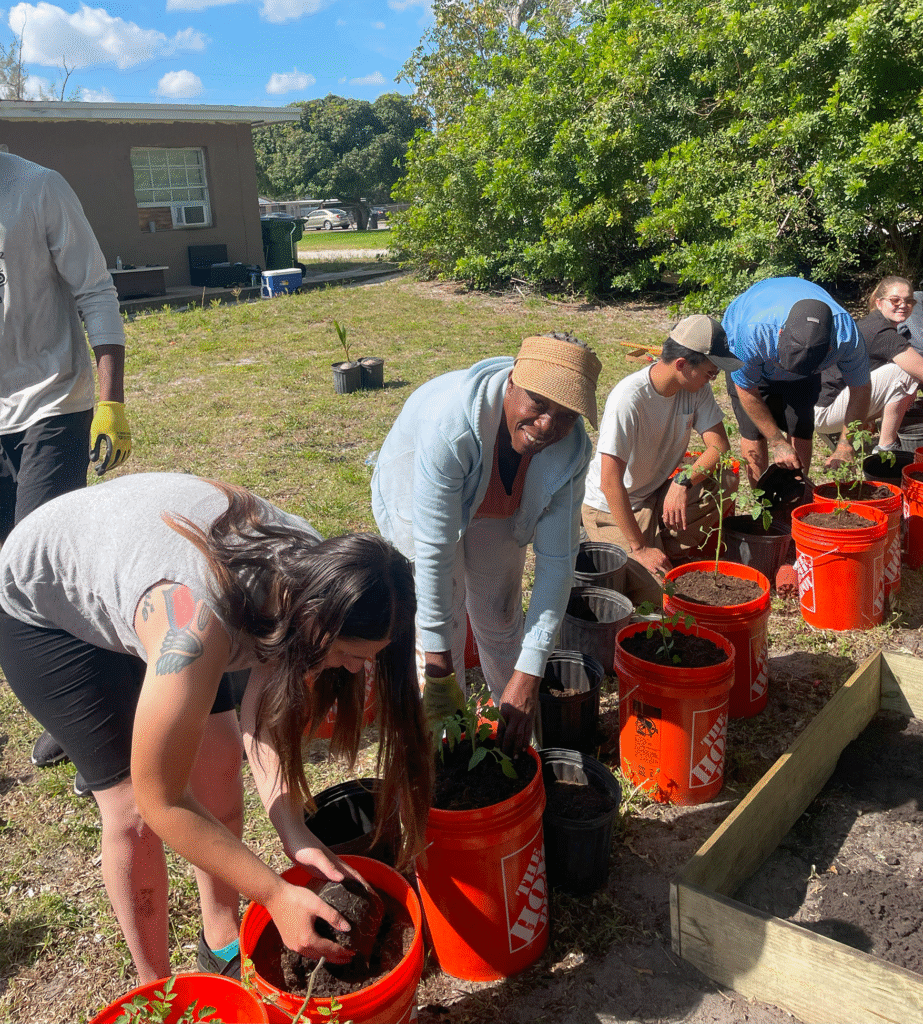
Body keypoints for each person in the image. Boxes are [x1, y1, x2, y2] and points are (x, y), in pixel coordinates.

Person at [0, 472, 431, 985]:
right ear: (318, 621)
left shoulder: (321, 575)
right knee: (134, 812)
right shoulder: (198, 629)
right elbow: (162, 801)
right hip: (45, 612)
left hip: (136, 573)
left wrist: (291, 825)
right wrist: (273, 893)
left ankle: (221, 936)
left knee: (221, 759)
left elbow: (267, 708)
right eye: (349, 654)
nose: (357, 669)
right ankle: (157, 992)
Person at [371, 334, 602, 755]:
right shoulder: (452, 424)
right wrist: (439, 673)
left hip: (498, 506)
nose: (547, 426)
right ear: (512, 382)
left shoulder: (569, 449)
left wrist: (528, 675)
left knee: (499, 612)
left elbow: (556, 563)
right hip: (418, 491)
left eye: (566, 415)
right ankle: (448, 747)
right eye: (538, 403)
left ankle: (514, 734)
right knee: (444, 622)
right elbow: (435, 554)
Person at [0, 149, 134, 774]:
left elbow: (96, 292)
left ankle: (103, 719)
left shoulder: (37, 188)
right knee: (7, 581)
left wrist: (111, 403)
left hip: (53, 401)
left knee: (43, 567)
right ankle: (68, 711)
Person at [581, 316, 741, 605]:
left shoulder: (695, 389)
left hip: (654, 495)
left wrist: (682, 482)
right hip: (613, 508)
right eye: (710, 373)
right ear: (681, 365)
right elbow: (609, 482)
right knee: (661, 600)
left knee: (725, 480)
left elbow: (719, 447)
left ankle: (660, 546)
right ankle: (633, 546)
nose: (712, 380)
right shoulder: (629, 399)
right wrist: (640, 548)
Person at [721, 276, 871, 486]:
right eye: (785, 363)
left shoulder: (846, 337)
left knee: (801, 424)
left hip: (803, 364)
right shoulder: (754, 332)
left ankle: (798, 490)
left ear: (829, 349)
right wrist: (777, 442)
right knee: (753, 431)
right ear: (780, 333)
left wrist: (846, 445)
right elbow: (746, 389)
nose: (786, 373)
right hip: (752, 351)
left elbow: (861, 388)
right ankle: (760, 497)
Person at [815, 275, 923, 451]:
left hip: (821, 404)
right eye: (895, 300)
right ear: (879, 303)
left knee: (904, 382)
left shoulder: (873, 323)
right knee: (905, 373)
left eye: (909, 301)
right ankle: (886, 447)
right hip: (825, 411)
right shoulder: (883, 334)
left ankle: (848, 431)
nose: (903, 305)